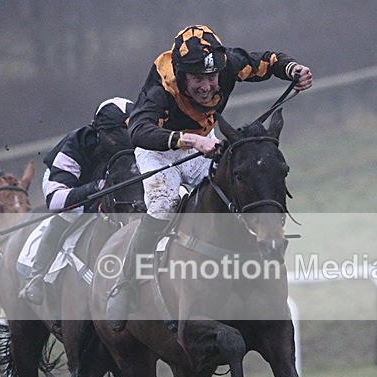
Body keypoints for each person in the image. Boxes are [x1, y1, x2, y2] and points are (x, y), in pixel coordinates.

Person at [105, 24, 313, 330]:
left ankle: (249, 268)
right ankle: (126, 283)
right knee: (163, 207)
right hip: (159, 149)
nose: (207, 86)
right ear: (181, 74)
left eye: (212, 77)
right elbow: (138, 131)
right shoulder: (160, 87)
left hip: (204, 142)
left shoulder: (228, 63)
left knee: (234, 190)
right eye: (197, 79)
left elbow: (269, 61)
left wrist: (294, 69)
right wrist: (191, 141)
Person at [17, 97, 135, 305]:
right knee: (71, 213)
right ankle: (36, 275)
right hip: (71, 184)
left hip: (109, 182)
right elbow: (55, 200)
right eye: (118, 138)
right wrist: (95, 188)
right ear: (100, 133)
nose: (124, 143)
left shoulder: (137, 138)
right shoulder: (75, 146)